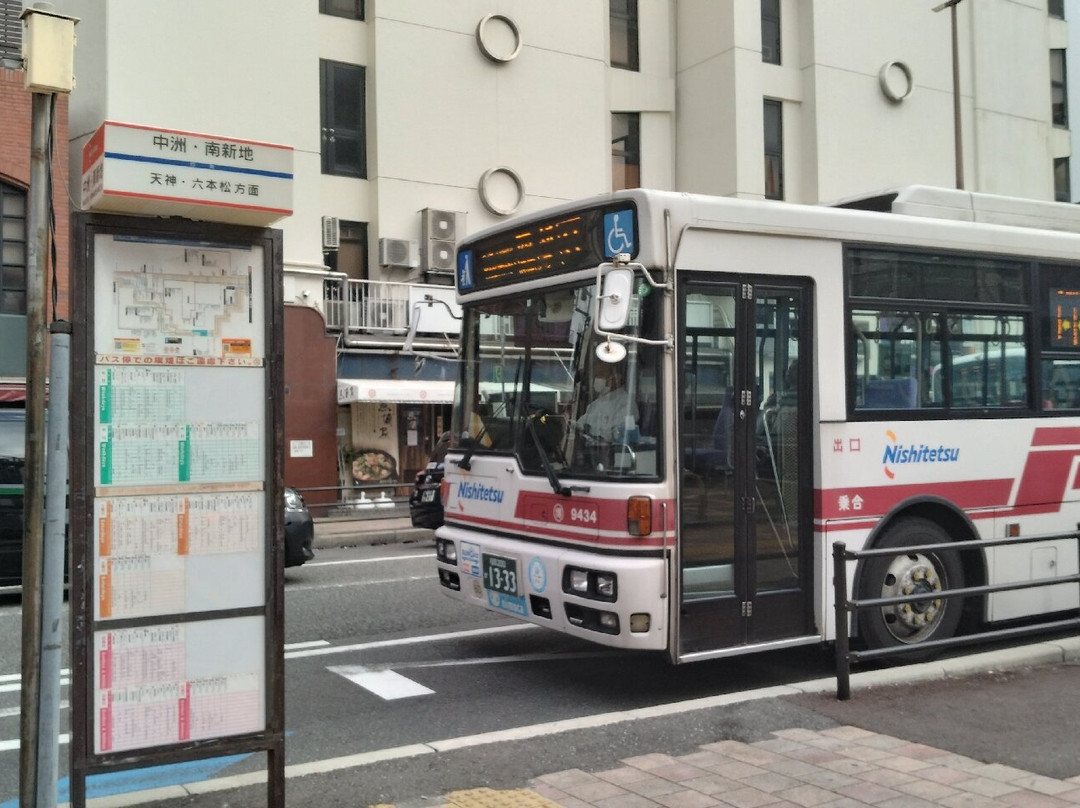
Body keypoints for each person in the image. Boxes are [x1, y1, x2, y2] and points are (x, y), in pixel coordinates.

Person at [578, 361, 638, 442]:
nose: (597, 379)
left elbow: (617, 435)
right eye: (596, 375)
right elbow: (580, 424)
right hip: (590, 448)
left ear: (617, 377)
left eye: (601, 375)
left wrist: (591, 433)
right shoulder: (594, 404)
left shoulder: (626, 403)